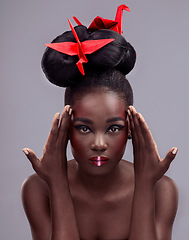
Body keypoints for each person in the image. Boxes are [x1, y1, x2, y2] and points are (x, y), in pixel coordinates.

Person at [22, 5, 178, 240]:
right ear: (65, 128)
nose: (99, 143)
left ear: (131, 128)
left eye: (113, 128)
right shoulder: (39, 189)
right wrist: (57, 184)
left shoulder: (161, 190)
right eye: (84, 128)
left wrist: (145, 186)